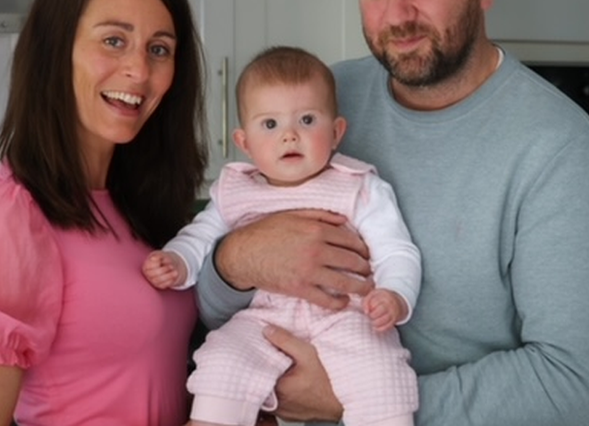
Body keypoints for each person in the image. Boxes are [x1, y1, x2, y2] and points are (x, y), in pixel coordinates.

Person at [196, 0, 589, 425]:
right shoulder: (324, 104)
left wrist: (355, 401)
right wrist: (236, 259)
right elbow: (215, 307)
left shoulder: (562, 151)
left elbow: (570, 387)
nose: (398, 15)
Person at [0, 0, 207, 426]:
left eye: (160, 49)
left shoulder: (146, 211)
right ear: (56, 49)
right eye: (114, 40)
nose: (139, 70)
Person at [144, 46, 422, 426]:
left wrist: (395, 295)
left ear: (337, 132)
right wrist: (177, 260)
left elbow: (396, 250)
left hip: (344, 317)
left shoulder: (359, 187)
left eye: (307, 120)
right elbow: (201, 236)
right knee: (222, 360)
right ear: (244, 143)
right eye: (270, 125)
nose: (290, 136)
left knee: (381, 374)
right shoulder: (234, 191)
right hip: (264, 319)